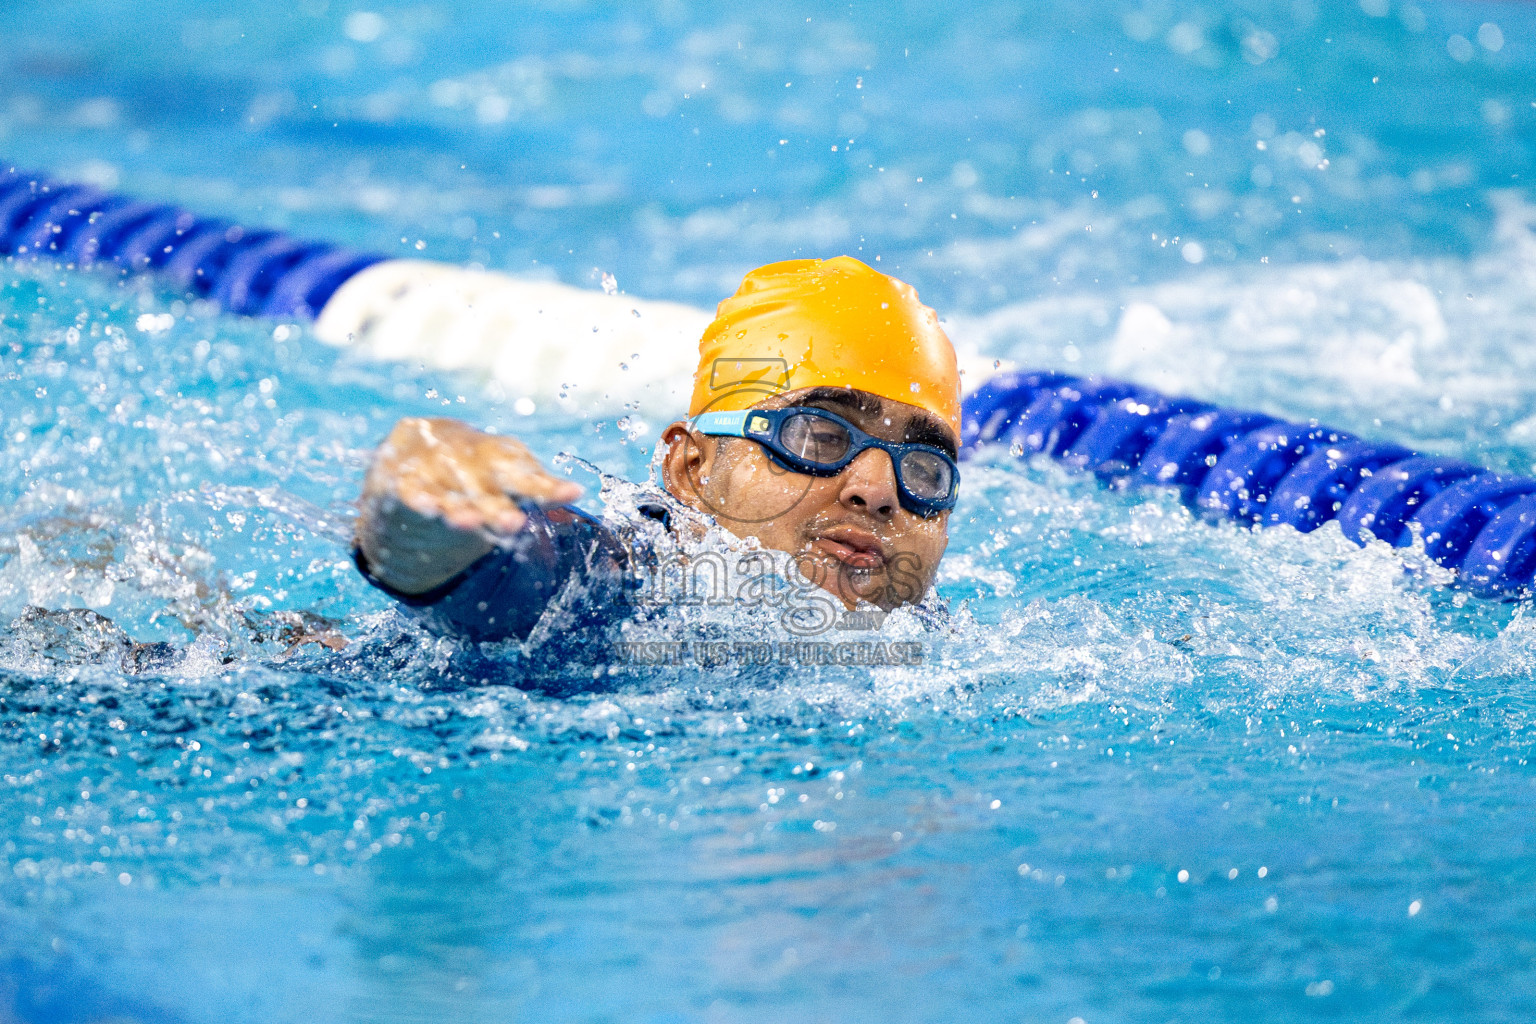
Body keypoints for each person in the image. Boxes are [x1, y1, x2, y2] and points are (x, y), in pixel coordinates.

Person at [352, 256, 963, 645]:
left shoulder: (936, 651)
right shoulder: (624, 584)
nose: (880, 491)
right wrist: (425, 502)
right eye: (817, 436)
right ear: (690, 469)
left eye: (926, 470)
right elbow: (494, 568)